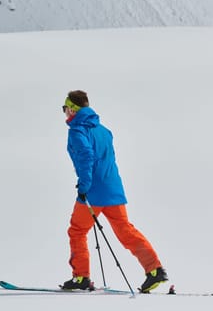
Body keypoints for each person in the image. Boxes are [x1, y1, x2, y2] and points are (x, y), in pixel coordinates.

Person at [60, 90, 168, 293]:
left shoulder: (77, 131)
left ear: (73, 109)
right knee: (125, 230)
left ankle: (81, 277)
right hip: (113, 189)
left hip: (93, 190)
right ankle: (154, 269)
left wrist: (84, 186)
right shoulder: (104, 130)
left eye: (65, 109)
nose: (65, 114)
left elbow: (86, 156)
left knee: (77, 230)